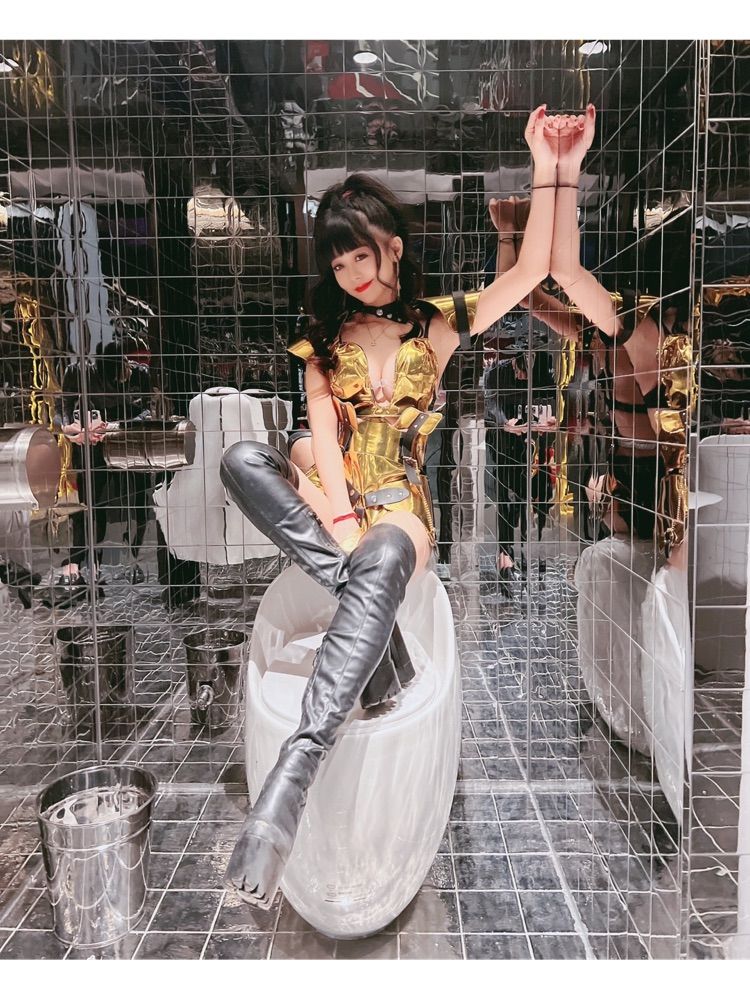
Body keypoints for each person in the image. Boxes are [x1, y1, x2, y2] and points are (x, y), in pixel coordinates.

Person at [219, 104, 564, 909]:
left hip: (401, 507)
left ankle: (289, 781)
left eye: (361, 255)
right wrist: (338, 518)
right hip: (340, 508)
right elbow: (319, 436)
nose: (351, 273)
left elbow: (530, 271)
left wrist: (551, 167)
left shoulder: (433, 327)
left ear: (394, 245)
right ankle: (387, 657)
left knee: (378, 554)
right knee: (241, 460)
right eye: (337, 261)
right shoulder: (324, 340)